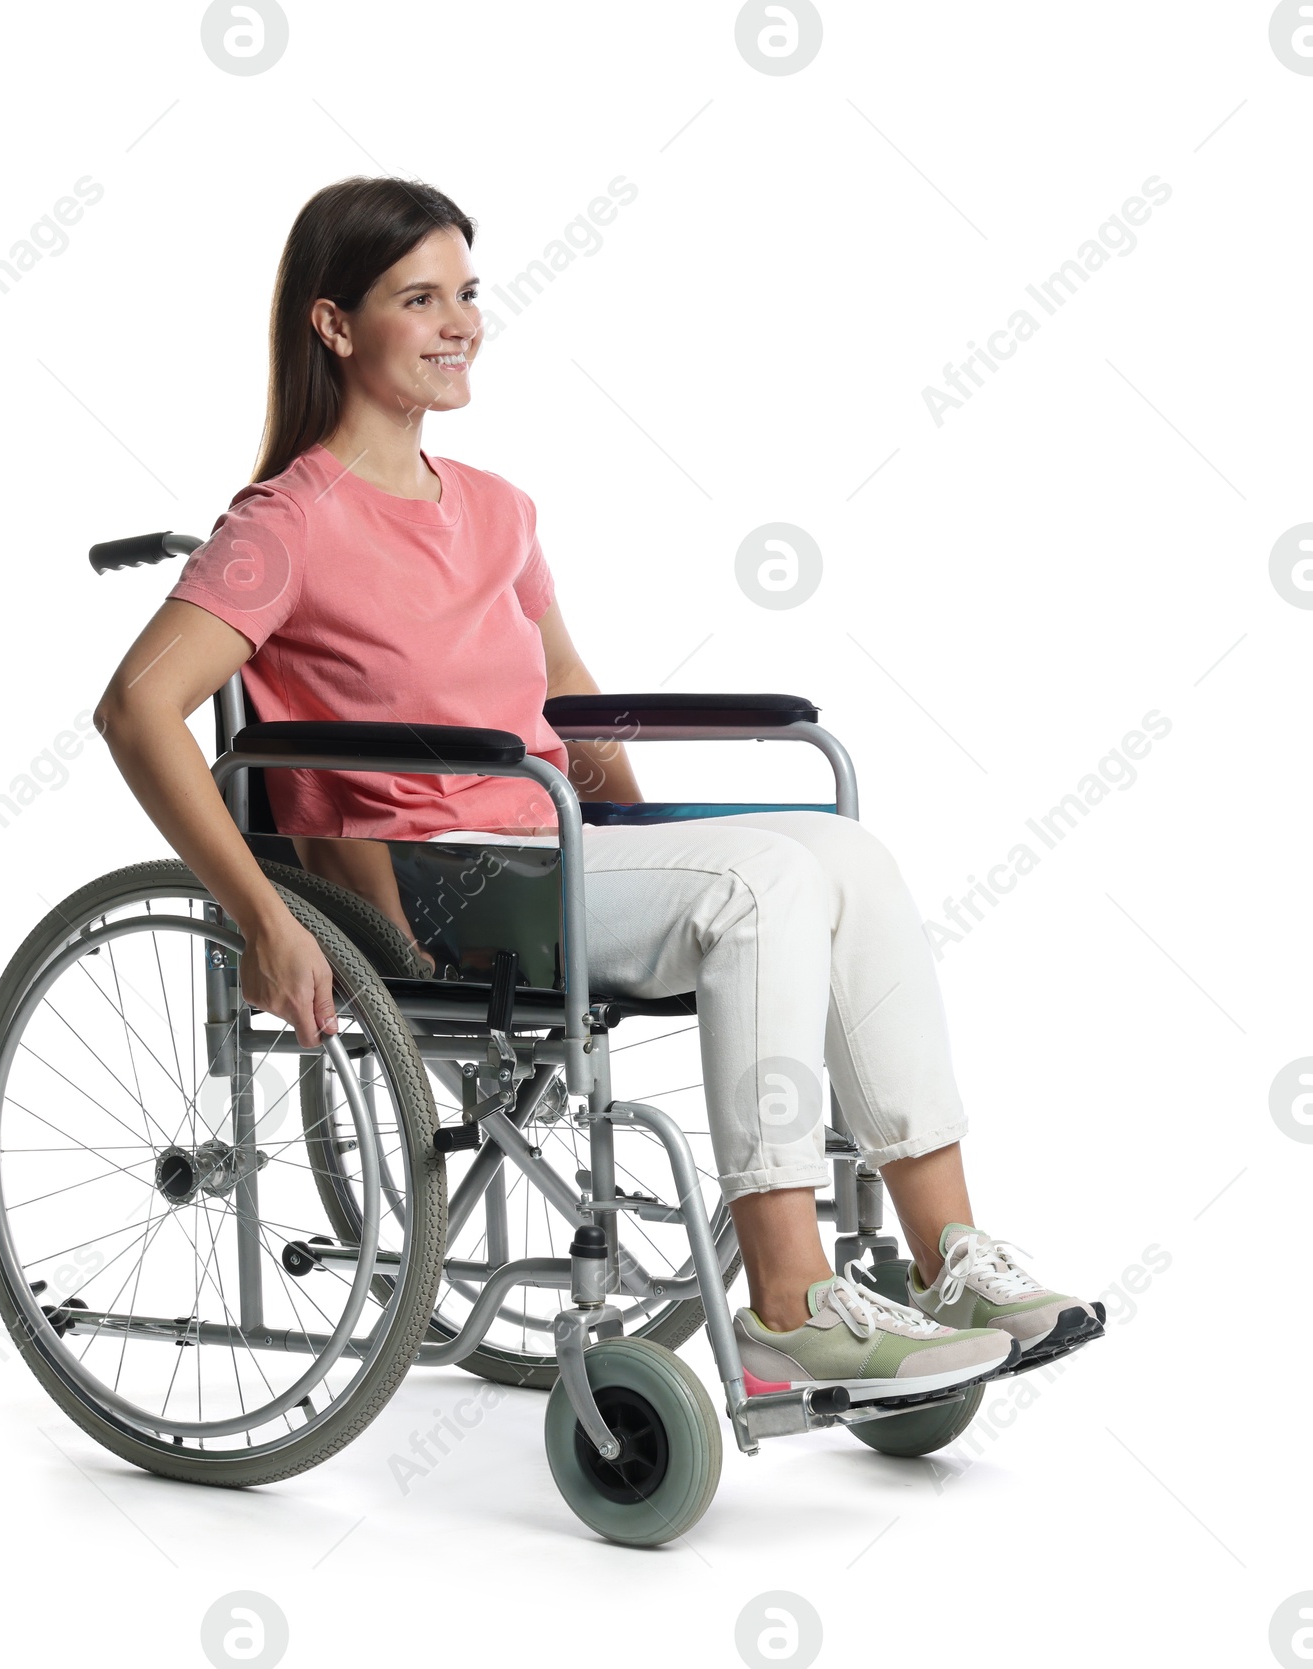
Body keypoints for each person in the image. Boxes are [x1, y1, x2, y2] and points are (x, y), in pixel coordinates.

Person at [93, 176, 1103, 1407]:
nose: (459, 321)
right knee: (766, 881)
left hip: (544, 855)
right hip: (427, 889)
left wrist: (649, 841)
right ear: (335, 326)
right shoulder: (283, 522)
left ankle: (949, 1256)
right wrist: (260, 915)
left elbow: (567, 696)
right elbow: (136, 707)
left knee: (846, 855)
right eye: (420, 299)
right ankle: (786, 1302)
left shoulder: (500, 510)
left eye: (467, 292)